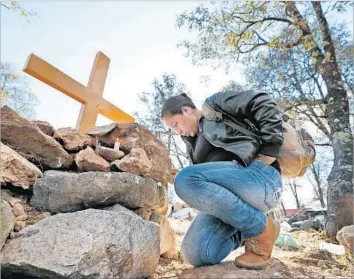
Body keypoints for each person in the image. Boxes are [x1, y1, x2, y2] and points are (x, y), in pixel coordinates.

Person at [161, 90, 284, 270]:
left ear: (186, 110)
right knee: (196, 253)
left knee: (186, 179)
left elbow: (260, 100)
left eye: (175, 124)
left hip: (260, 179)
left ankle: (260, 229)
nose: (177, 131)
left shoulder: (214, 106)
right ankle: (252, 228)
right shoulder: (191, 146)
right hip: (234, 200)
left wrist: (270, 149)